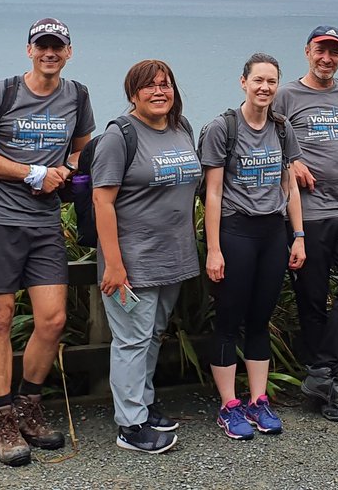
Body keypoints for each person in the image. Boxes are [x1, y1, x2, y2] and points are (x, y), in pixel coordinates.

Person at [0, 18, 95, 466]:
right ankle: (3, 418)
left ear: (69, 52)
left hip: (43, 221)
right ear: (29, 50)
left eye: (57, 46)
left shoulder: (77, 96)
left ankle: (29, 407)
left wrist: (65, 171)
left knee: (53, 319)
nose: (49, 53)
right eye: (42, 45)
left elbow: (82, 150)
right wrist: (32, 173)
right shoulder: (0, 93)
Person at [92, 59, 201, 454]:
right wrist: (115, 264)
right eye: (149, 86)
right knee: (131, 340)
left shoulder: (181, 128)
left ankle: (142, 402)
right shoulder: (119, 136)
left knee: (152, 335)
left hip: (172, 256)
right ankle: (130, 426)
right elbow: (102, 201)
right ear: (133, 94)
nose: (159, 92)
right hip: (131, 261)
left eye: (166, 84)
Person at [200, 54, 307, 439]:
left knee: (260, 318)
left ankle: (259, 401)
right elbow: (212, 192)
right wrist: (214, 248)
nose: (264, 88)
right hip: (235, 230)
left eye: (271, 82)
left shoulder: (281, 128)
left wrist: (298, 235)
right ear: (243, 82)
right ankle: (230, 405)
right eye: (258, 80)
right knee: (230, 319)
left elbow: (289, 185)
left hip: (272, 233)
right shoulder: (222, 128)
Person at [273, 25, 338, 420]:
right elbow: (263, 136)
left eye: (334, 52)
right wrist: (291, 160)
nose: (327, 58)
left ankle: (320, 372)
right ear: (307, 51)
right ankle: (326, 388)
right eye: (321, 50)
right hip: (308, 216)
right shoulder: (285, 95)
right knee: (311, 301)